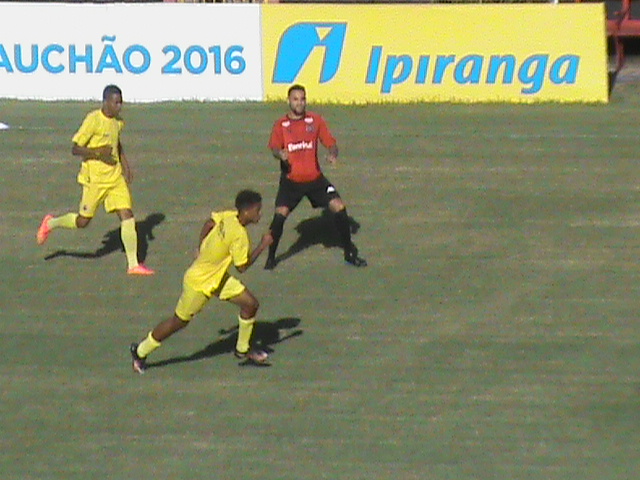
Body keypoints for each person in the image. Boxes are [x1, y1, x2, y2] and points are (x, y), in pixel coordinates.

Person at [130, 189, 273, 374]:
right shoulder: (240, 236)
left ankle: (242, 349)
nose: (259, 214)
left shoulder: (229, 216)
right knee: (178, 322)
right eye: (257, 210)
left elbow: (209, 222)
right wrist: (263, 245)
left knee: (251, 305)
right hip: (199, 284)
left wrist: (200, 247)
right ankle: (140, 351)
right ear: (247, 211)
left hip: (218, 279)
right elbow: (242, 267)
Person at [36, 84, 154, 276]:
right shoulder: (93, 120)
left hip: (114, 178)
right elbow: (75, 148)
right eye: (116, 102)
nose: (119, 106)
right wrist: (98, 154)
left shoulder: (118, 122)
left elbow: (117, 143)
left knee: (127, 214)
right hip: (95, 180)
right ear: (106, 102)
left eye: (121, 102)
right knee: (83, 222)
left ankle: (133, 265)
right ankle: (51, 223)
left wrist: (126, 166)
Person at [264, 84, 367, 270]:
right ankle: (271, 258)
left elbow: (331, 143)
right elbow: (273, 148)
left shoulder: (315, 120)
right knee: (279, 218)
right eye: (295, 99)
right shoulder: (281, 125)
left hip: (315, 180)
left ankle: (349, 253)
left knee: (339, 207)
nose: (300, 103)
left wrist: (333, 153)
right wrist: (280, 154)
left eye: (303, 99)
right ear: (289, 101)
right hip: (291, 182)